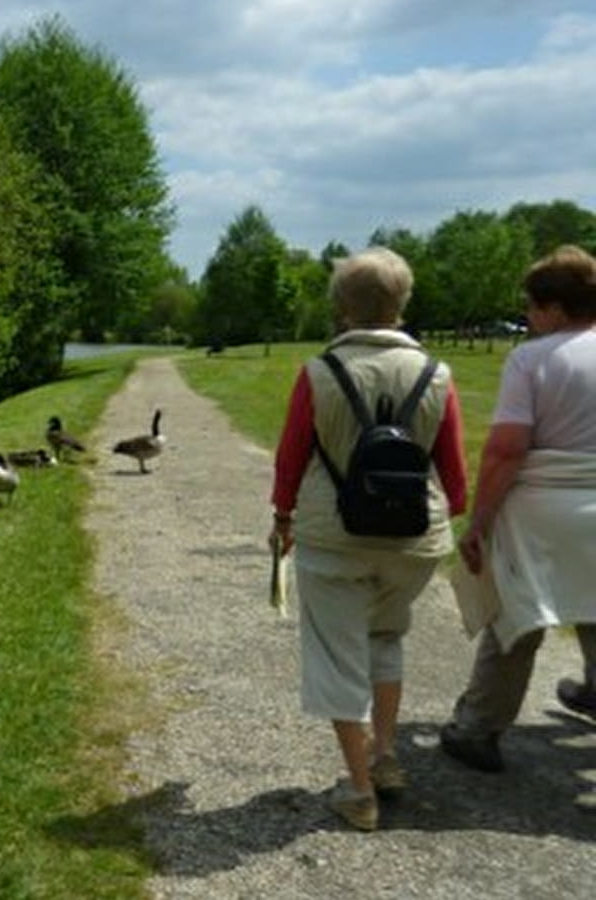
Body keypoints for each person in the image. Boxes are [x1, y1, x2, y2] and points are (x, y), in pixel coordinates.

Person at [271, 247, 469, 831]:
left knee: (338, 657)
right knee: (386, 638)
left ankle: (358, 791)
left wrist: (283, 516)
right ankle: (383, 756)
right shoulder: (438, 375)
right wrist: (443, 513)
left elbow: (291, 458)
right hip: (413, 538)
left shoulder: (319, 373)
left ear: (341, 308)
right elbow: (455, 477)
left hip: (333, 536)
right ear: (402, 304)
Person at [440, 246, 596, 799]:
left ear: (554, 308)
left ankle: (479, 728)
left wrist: (479, 521)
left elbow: (506, 450)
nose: (528, 317)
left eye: (531, 306)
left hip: (546, 505)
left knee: (517, 614)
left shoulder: (533, 359)